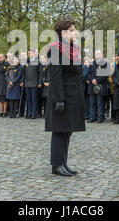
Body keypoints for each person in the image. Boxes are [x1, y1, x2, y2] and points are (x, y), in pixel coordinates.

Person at [46, 19, 85, 177]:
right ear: (63, 33)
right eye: (72, 30)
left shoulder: (72, 48)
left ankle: (63, 162)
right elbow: (55, 77)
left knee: (67, 131)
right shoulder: (55, 49)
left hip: (73, 96)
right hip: (62, 96)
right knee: (59, 131)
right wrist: (59, 99)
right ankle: (57, 165)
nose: (74, 33)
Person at [87, 50, 109, 124]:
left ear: (102, 54)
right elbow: (88, 73)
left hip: (100, 85)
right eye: (96, 54)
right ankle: (92, 117)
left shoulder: (105, 63)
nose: (97, 55)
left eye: (99, 53)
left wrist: (97, 80)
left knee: (100, 103)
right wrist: (92, 80)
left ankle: (100, 118)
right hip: (92, 85)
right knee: (92, 103)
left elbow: (105, 74)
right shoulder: (91, 63)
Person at [21, 49, 43, 119]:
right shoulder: (26, 62)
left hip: (34, 83)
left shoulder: (38, 62)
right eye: (28, 53)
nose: (29, 54)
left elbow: (40, 74)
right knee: (28, 99)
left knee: (34, 99)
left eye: (30, 53)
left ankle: (34, 113)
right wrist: (22, 81)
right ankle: (29, 113)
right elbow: (23, 73)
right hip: (27, 83)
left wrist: (40, 82)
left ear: (34, 54)